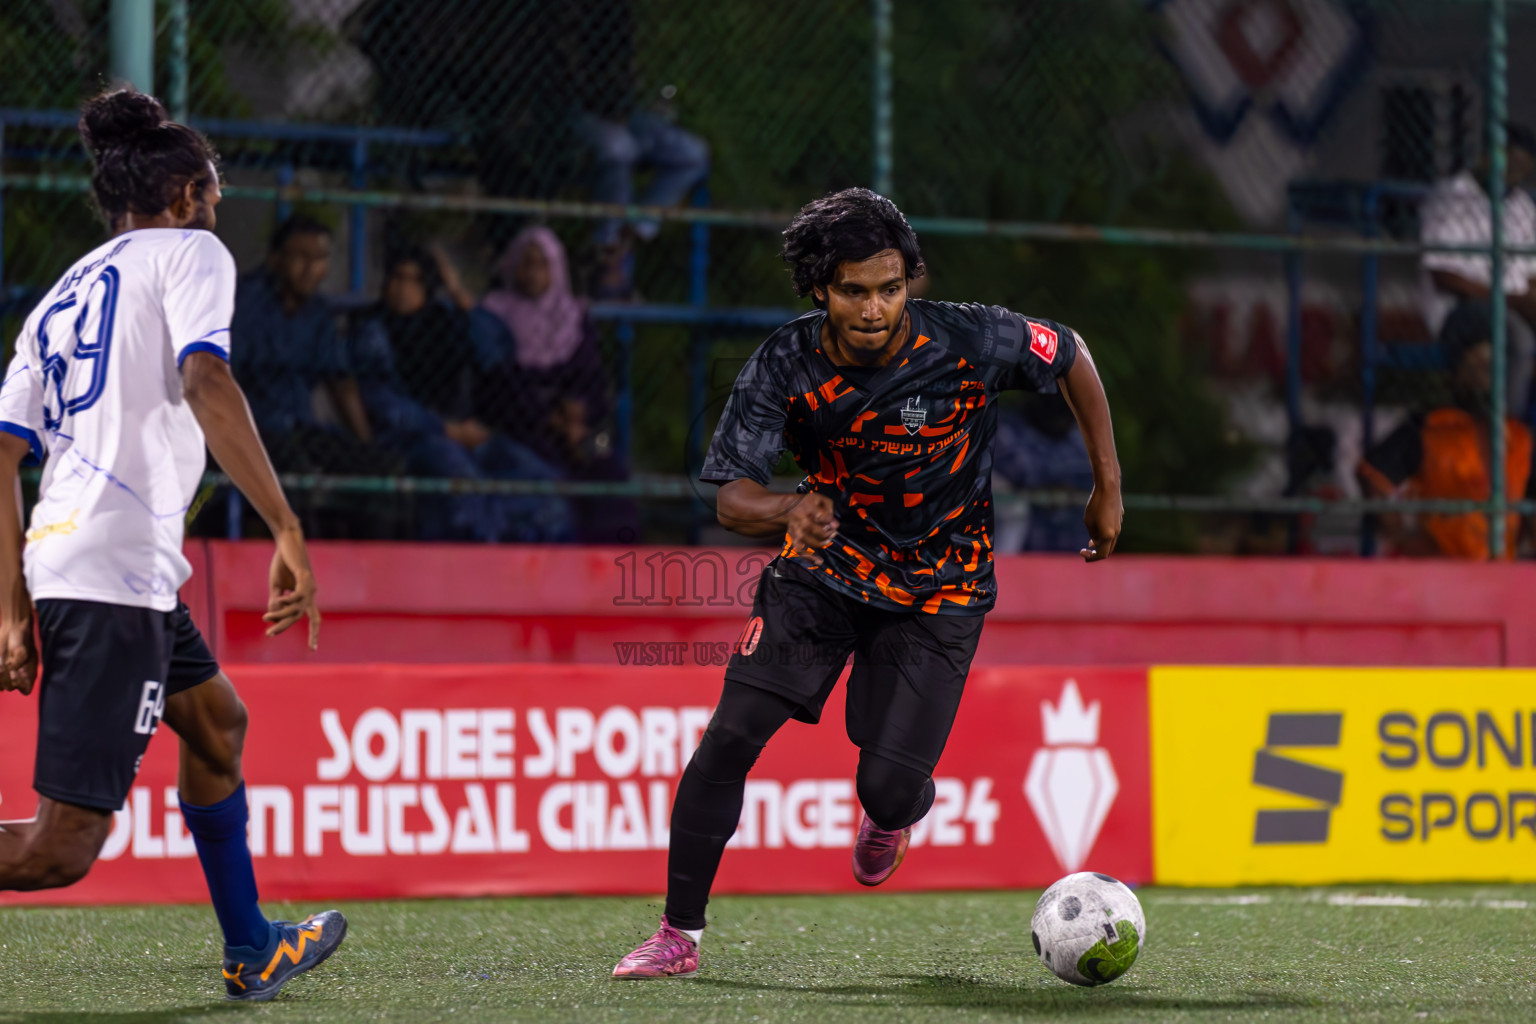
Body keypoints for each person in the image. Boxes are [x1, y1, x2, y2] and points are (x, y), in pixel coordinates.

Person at [611, 188, 1122, 978]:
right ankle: (679, 936)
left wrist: (1107, 488)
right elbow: (730, 494)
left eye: (890, 287)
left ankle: (892, 814)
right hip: (823, 577)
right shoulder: (785, 362)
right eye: (855, 290)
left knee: (886, 788)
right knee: (730, 737)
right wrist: (788, 510)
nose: (876, 307)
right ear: (821, 289)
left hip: (939, 593)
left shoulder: (969, 338)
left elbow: (1072, 355)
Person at [0, 89, 342, 1001]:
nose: (219, 211)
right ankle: (249, 946)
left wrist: (10, 604)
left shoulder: (59, 295)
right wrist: (287, 525)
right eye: (215, 195)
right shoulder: (193, 252)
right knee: (53, 852)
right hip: (113, 572)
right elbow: (205, 376)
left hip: (91, 564)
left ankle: (252, 948)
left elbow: (2, 451)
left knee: (218, 724)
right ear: (186, 193)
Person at [351, 245, 572, 542]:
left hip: (468, 435)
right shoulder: (373, 329)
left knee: (542, 483)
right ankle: (485, 563)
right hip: (415, 439)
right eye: (397, 278)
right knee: (463, 485)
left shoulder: (445, 323)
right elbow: (384, 403)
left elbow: (496, 350)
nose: (403, 289)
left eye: (415, 280)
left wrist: (458, 292)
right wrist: (445, 428)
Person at [472, 227, 637, 542]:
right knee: (551, 476)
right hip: (523, 429)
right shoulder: (495, 314)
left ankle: (615, 565)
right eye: (526, 263)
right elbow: (498, 384)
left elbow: (591, 377)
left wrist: (579, 415)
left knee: (607, 463)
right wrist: (551, 418)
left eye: (542, 264)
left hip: (579, 429)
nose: (533, 273)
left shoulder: (574, 315)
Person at [1358, 303, 1534, 559]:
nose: (1487, 375)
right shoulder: (1431, 426)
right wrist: (1402, 536)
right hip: (1442, 568)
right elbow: (1371, 474)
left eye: (1492, 367)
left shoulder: (1520, 437)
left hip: (1499, 571)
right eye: (1477, 365)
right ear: (1457, 373)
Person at [230, 216, 395, 477]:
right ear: (276, 259)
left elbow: (340, 382)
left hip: (299, 428)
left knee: (380, 467)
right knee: (296, 468)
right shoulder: (245, 303)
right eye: (301, 257)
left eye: (320, 259)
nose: (311, 268)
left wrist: (366, 445)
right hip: (250, 428)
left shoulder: (319, 314)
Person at [1420, 123, 1536, 419]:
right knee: (1518, 339)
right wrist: (1512, 301)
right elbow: (1444, 277)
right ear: (1487, 155)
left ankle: (1526, 447)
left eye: (1524, 163)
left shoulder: (1522, 206)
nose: (1516, 170)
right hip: (1461, 312)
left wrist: (1529, 302)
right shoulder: (1451, 196)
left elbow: (1531, 278)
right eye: (1510, 158)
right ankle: (1504, 442)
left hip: (1514, 305)